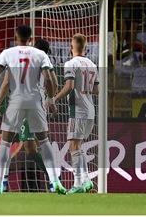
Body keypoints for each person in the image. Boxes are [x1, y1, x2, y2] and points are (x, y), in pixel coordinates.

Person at [0, 25, 66, 195]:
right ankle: (55, 182)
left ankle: (0, 185)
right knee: (43, 142)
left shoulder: (8, 53)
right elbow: (50, 79)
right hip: (35, 101)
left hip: (16, 100)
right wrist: (51, 100)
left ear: (16, 36)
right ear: (31, 38)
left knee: (5, 143)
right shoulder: (40, 54)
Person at [52, 34, 98, 193]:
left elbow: (69, 86)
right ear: (85, 47)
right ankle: (86, 181)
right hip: (90, 110)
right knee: (78, 147)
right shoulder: (92, 64)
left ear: (72, 47)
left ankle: (78, 184)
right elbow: (97, 90)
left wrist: (54, 98)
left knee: (73, 146)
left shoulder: (71, 63)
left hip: (77, 110)